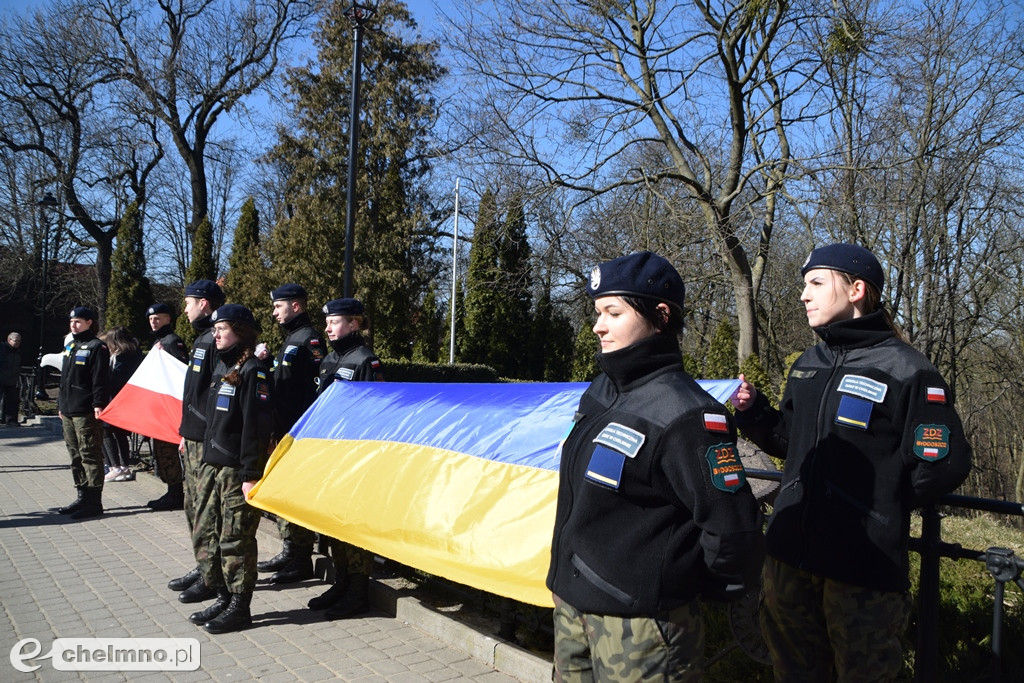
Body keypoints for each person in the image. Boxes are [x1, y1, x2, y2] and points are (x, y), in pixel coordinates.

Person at [730, 243, 973, 682]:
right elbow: (789, 439)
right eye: (805, 285)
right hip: (787, 558)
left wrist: (878, 506)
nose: (804, 295)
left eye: (816, 283)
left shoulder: (908, 370)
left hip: (861, 568)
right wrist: (752, 412)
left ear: (857, 289)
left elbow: (942, 464)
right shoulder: (809, 363)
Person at [547, 251, 765, 682]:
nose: (598, 326)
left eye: (613, 312)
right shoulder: (602, 391)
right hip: (572, 609)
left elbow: (733, 529)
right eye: (597, 312)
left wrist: (675, 588)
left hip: (643, 629)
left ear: (660, 316)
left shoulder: (688, 415)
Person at [186, 303, 273, 634]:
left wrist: (251, 475)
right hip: (214, 466)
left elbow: (256, 427)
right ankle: (223, 595)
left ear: (241, 330)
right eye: (214, 328)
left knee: (235, 537)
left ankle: (240, 606)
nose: (215, 333)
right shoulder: (223, 366)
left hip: (237, 471)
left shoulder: (254, 370)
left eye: (222, 328)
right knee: (213, 532)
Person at [306, 297, 384, 619]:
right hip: (329, 455)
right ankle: (341, 582)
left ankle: (357, 591)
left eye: (334, 322)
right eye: (327, 323)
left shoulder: (366, 361)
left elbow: (376, 411)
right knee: (333, 522)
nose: (327, 328)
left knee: (352, 525)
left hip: (354, 458)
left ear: (353, 323)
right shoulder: (329, 361)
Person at [256, 283, 325, 584]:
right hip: (285, 429)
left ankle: (300, 556)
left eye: (278, 307)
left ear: (295, 306)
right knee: (285, 491)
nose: (273, 313)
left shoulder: (309, 340)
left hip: (301, 431)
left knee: (296, 493)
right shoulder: (291, 339)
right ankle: (290, 549)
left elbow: (314, 389)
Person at [171, 279, 225, 604]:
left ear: (204, 303)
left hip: (205, 440)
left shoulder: (214, 340)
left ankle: (212, 576)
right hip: (191, 438)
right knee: (192, 506)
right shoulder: (201, 339)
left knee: (206, 510)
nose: (185, 308)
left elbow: (215, 395)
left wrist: (204, 435)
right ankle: (202, 565)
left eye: (189, 302)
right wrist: (184, 432)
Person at [53, 307, 110, 519]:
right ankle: (82, 495)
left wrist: (98, 403)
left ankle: (94, 501)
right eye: (71, 322)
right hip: (68, 408)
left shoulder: (97, 347)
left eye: (78, 321)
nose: (73, 325)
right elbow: (64, 379)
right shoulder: (71, 346)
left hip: (85, 410)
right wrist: (61, 404)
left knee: (89, 454)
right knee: (75, 454)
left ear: (89, 322)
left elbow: (99, 379)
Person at [146, 302, 188, 510]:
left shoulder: (172, 342)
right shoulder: (160, 341)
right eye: (151, 319)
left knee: (167, 451)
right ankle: (172, 491)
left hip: (169, 408)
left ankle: (175, 493)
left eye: (158, 318)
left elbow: (177, 373)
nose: (154, 322)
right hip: (160, 405)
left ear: (168, 319)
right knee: (161, 452)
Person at [100, 327, 143, 482]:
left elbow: (116, 377)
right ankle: (123, 466)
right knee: (119, 434)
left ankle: (115, 466)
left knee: (106, 431)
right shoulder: (134, 353)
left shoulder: (122, 356)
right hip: (124, 398)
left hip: (116, 398)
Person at [1, 332, 22, 426]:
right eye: (15, 341)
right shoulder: (2, 349)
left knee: (12, 401)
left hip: (12, 380)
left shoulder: (17, 351)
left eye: (19, 341)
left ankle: (10, 421)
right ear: (9, 340)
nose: (17, 343)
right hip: (1, 378)